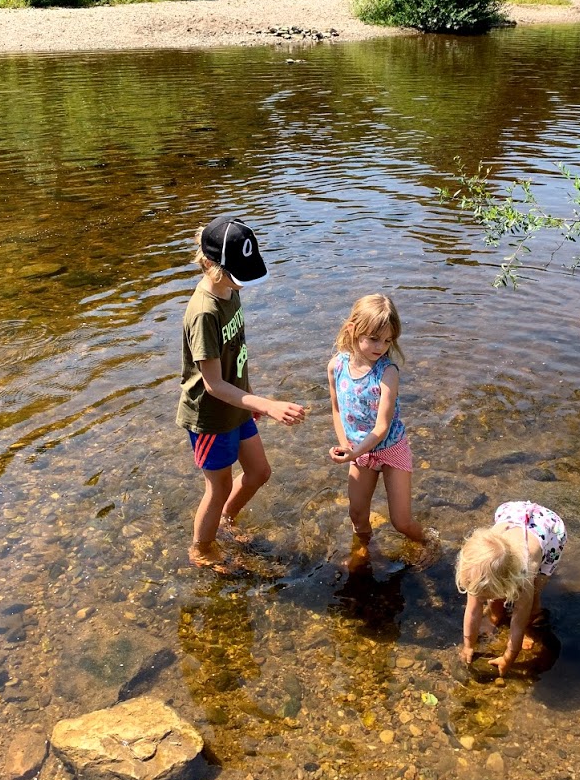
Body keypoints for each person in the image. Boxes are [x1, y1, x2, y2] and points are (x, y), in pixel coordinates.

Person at [176, 214, 306, 571]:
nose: (244, 282)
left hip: (236, 403)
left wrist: (250, 397)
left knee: (259, 472)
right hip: (210, 416)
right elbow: (212, 384)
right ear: (213, 266)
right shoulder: (204, 312)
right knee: (217, 488)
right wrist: (267, 404)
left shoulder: (229, 291)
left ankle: (225, 520)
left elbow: (235, 356)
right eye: (239, 274)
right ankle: (201, 548)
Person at [327, 294, 439, 566]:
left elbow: (382, 427)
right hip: (359, 451)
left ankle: (431, 542)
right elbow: (337, 410)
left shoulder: (387, 372)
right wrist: (346, 446)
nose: (381, 347)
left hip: (391, 449)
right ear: (352, 329)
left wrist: (354, 454)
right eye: (375, 339)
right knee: (357, 515)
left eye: (388, 341)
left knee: (401, 522)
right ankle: (365, 552)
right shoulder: (336, 366)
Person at [456, 501, 566, 675]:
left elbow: (517, 625)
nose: (480, 597)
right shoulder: (475, 572)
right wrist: (468, 645)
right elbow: (472, 610)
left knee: (534, 596)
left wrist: (508, 658)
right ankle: (495, 614)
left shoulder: (525, 578)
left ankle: (532, 626)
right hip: (512, 514)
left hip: (550, 532)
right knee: (492, 595)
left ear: (508, 582)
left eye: (486, 594)